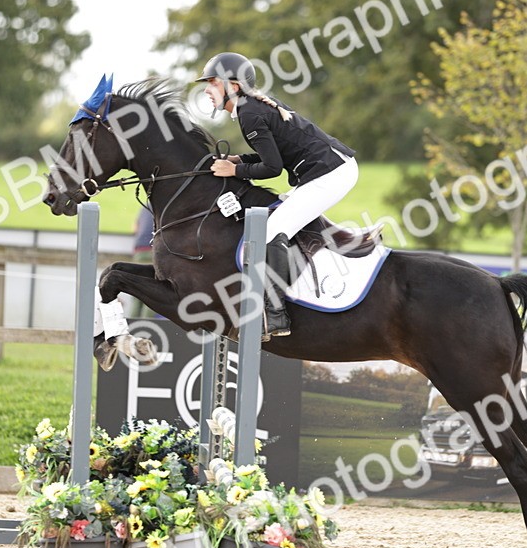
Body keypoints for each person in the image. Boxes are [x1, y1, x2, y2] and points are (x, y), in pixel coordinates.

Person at [196, 51, 358, 339]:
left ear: (233, 86)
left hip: (330, 173)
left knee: (272, 231)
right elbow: (274, 155)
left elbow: (272, 168)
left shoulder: (249, 113)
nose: (207, 90)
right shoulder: (249, 107)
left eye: (213, 82)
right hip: (324, 169)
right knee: (276, 215)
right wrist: (238, 160)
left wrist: (234, 171)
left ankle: (276, 314)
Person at [130, 208, 156, 318]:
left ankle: (133, 324)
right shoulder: (165, 204)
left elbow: (135, 228)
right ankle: (146, 324)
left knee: (137, 292)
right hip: (154, 250)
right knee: (152, 293)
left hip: (139, 251)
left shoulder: (144, 207)